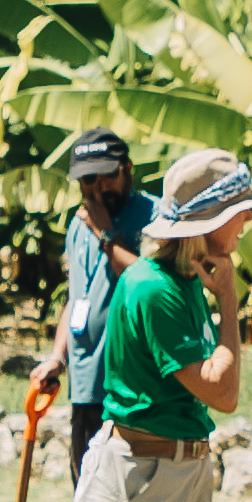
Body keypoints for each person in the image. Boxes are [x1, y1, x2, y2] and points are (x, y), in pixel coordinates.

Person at [81, 146, 252, 502]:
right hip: (142, 476)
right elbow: (222, 393)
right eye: (240, 211)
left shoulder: (186, 281)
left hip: (177, 469)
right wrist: (230, 302)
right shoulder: (156, 288)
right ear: (208, 221)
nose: (248, 221)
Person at [53, 128, 157, 481]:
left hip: (131, 388)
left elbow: (153, 284)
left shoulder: (155, 218)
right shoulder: (77, 224)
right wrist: (57, 357)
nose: (98, 188)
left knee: (125, 497)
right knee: (87, 493)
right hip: (85, 383)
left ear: (128, 167)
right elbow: (76, 298)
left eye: (108, 176)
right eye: (87, 180)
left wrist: (107, 235)